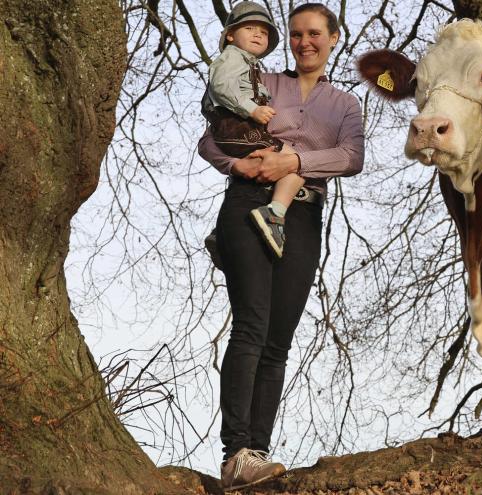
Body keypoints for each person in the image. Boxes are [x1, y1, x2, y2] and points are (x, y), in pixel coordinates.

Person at [198, 3, 364, 490]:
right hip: (249, 203)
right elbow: (211, 139)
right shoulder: (263, 79)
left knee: (279, 338)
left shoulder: (345, 105)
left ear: (334, 37)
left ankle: (257, 453)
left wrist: (295, 158)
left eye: (314, 34)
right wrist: (237, 167)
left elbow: (352, 156)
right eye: (295, 34)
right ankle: (235, 454)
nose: (303, 42)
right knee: (251, 322)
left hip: (304, 213)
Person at [203, 1, 305, 258]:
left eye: (264, 31)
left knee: (260, 170)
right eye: (249, 28)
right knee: (296, 163)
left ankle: (222, 231)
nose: (258, 34)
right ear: (230, 35)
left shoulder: (247, 64)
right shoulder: (231, 58)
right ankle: (274, 214)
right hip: (236, 127)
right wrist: (252, 110)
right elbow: (222, 87)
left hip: (236, 129)